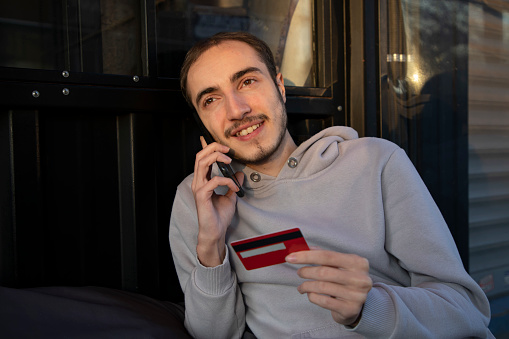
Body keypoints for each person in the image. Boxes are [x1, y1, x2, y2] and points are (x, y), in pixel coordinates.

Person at [169, 31, 493, 338]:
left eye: (248, 81)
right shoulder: (198, 198)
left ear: (280, 87)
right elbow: (213, 334)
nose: (236, 110)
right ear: (201, 120)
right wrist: (211, 249)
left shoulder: (374, 162)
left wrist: (369, 308)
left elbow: (465, 308)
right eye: (211, 100)